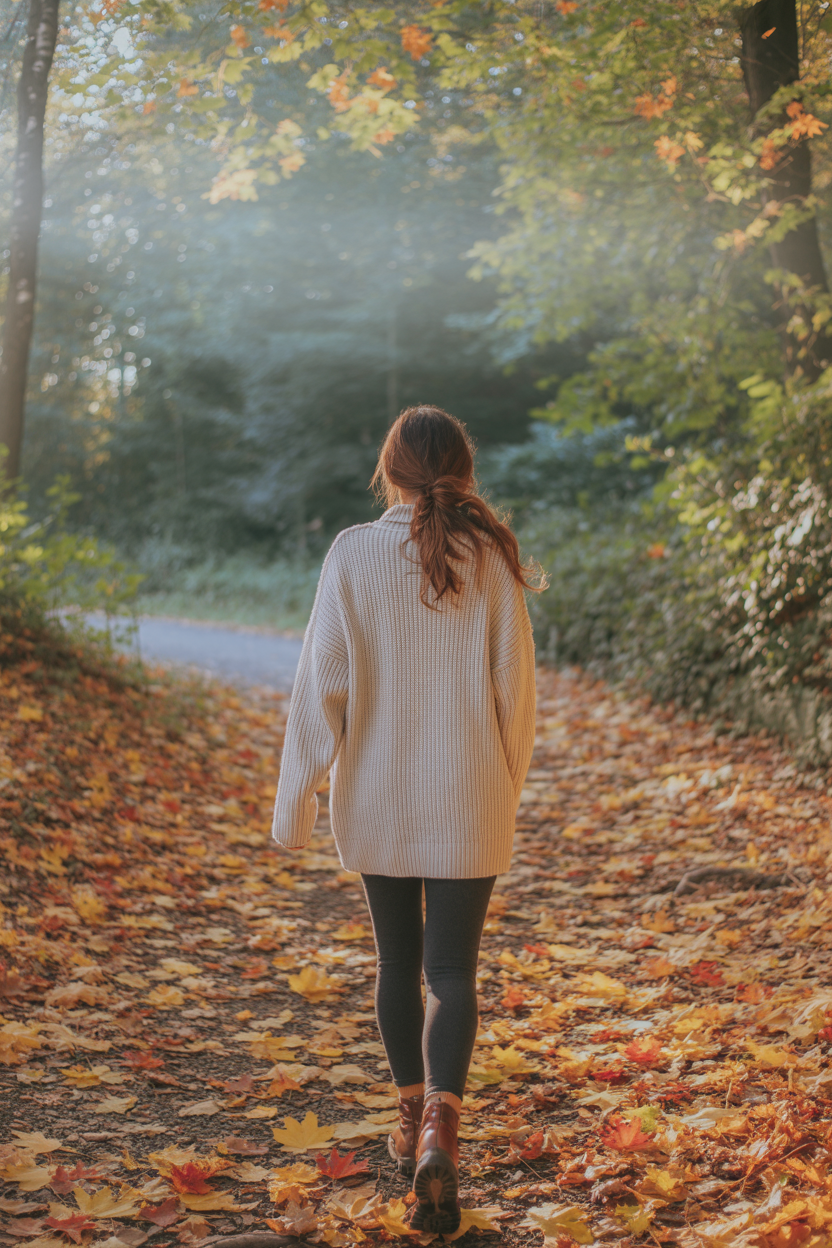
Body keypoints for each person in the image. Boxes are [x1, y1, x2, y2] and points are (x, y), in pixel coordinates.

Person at [272, 405, 545, 1233]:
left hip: (378, 795)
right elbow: (518, 696)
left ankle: (406, 1114)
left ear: (388, 470)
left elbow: (319, 686)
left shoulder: (352, 552)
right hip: (470, 795)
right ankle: (441, 1132)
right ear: (463, 471)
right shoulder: (492, 555)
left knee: (398, 963)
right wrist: (505, 781)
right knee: (453, 974)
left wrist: (296, 804)